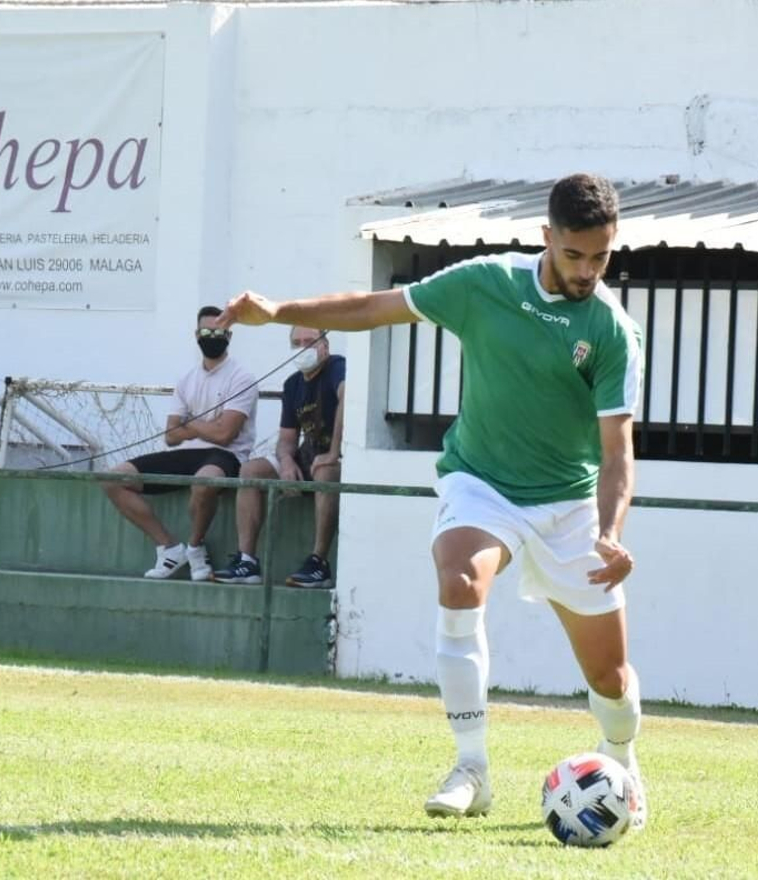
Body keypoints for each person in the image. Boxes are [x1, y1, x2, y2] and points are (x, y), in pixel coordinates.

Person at [221, 173, 646, 827]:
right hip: (482, 482)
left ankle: (619, 759)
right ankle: (471, 768)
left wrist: (612, 531)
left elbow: (616, 452)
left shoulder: (612, 331)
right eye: (574, 254)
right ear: (547, 237)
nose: (588, 270)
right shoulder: (485, 284)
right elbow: (372, 307)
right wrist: (280, 311)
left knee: (611, 679)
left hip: (569, 506)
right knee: (458, 580)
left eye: (601, 257)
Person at [101, 306, 258, 581]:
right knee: (113, 479)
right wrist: (206, 425)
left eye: (219, 331)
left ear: (229, 335)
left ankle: (196, 548)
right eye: (207, 331)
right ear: (197, 334)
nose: (213, 336)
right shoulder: (186, 380)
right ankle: (170, 548)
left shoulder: (241, 378)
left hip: (226, 455)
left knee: (204, 481)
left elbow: (225, 436)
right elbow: (171, 436)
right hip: (187, 454)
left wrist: (192, 423)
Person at [213, 326, 343, 587]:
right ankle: (247, 562)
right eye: (297, 343)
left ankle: (319, 563)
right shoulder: (292, 385)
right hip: (306, 456)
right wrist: (286, 462)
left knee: (325, 472)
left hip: (338, 460)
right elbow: (286, 440)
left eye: (310, 341)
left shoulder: (337, 367)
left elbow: (346, 397)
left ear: (325, 346)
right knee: (251, 471)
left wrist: (332, 452)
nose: (303, 347)